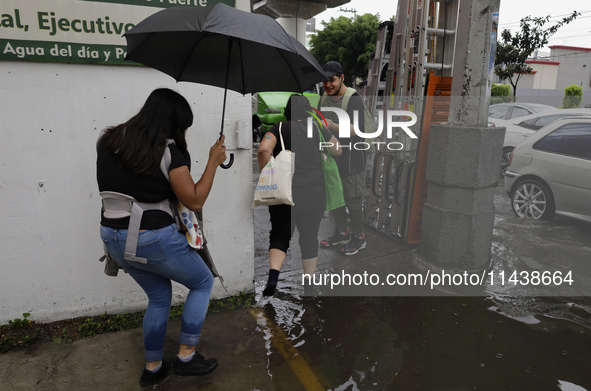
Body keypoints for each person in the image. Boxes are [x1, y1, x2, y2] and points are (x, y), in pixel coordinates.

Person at [96, 88, 226, 387]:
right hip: (150, 238)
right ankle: (186, 357)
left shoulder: (109, 139)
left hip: (113, 238)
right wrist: (212, 162)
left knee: (158, 297)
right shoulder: (167, 151)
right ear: (173, 122)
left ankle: (153, 368)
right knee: (203, 281)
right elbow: (193, 200)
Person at [257, 94, 341, 296]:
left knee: (280, 234)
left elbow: (262, 151)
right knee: (309, 237)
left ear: (287, 111)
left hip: (285, 191)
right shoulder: (317, 128)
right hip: (314, 191)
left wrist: (268, 173)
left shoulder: (278, 128)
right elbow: (337, 150)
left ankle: (272, 280)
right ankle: (309, 285)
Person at [318, 61, 368, 255]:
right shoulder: (324, 97)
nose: (328, 85)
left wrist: (333, 126)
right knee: (335, 196)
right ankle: (342, 233)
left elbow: (359, 131)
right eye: (325, 81)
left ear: (342, 78)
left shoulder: (353, 98)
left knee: (353, 199)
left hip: (352, 156)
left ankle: (358, 237)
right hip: (331, 155)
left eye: (332, 80)